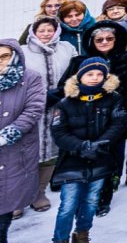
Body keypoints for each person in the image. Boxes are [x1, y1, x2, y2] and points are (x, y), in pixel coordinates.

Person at [49, 57, 127, 243]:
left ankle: (82, 233)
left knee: (91, 201)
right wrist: (82, 146)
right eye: (90, 74)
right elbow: (59, 132)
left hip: (100, 158)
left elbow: (117, 124)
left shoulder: (113, 98)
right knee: (68, 205)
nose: (95, 78)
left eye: (99, 74)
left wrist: (99, 144)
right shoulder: (65, 103)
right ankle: (60, 239)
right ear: (80, 76)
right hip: (72, 160)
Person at [24, 16, 77, 211]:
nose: (46, 34)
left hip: (59, 108)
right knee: (28, 152)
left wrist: (63, 93)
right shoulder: (23, 52)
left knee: (52, 152)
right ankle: (20, 196)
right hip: (31, 109)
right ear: (33, 32)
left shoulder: (66, 49)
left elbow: (75, 74)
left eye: (50, 30)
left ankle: (39, 192)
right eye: (41, 30)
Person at [0, 38, 46, 243]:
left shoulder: (30, 78)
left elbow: (34, 109)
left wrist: (9, 133)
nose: (0, 62)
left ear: (15, 56)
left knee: (5, 205)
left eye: (4, 56)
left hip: (15, 150)